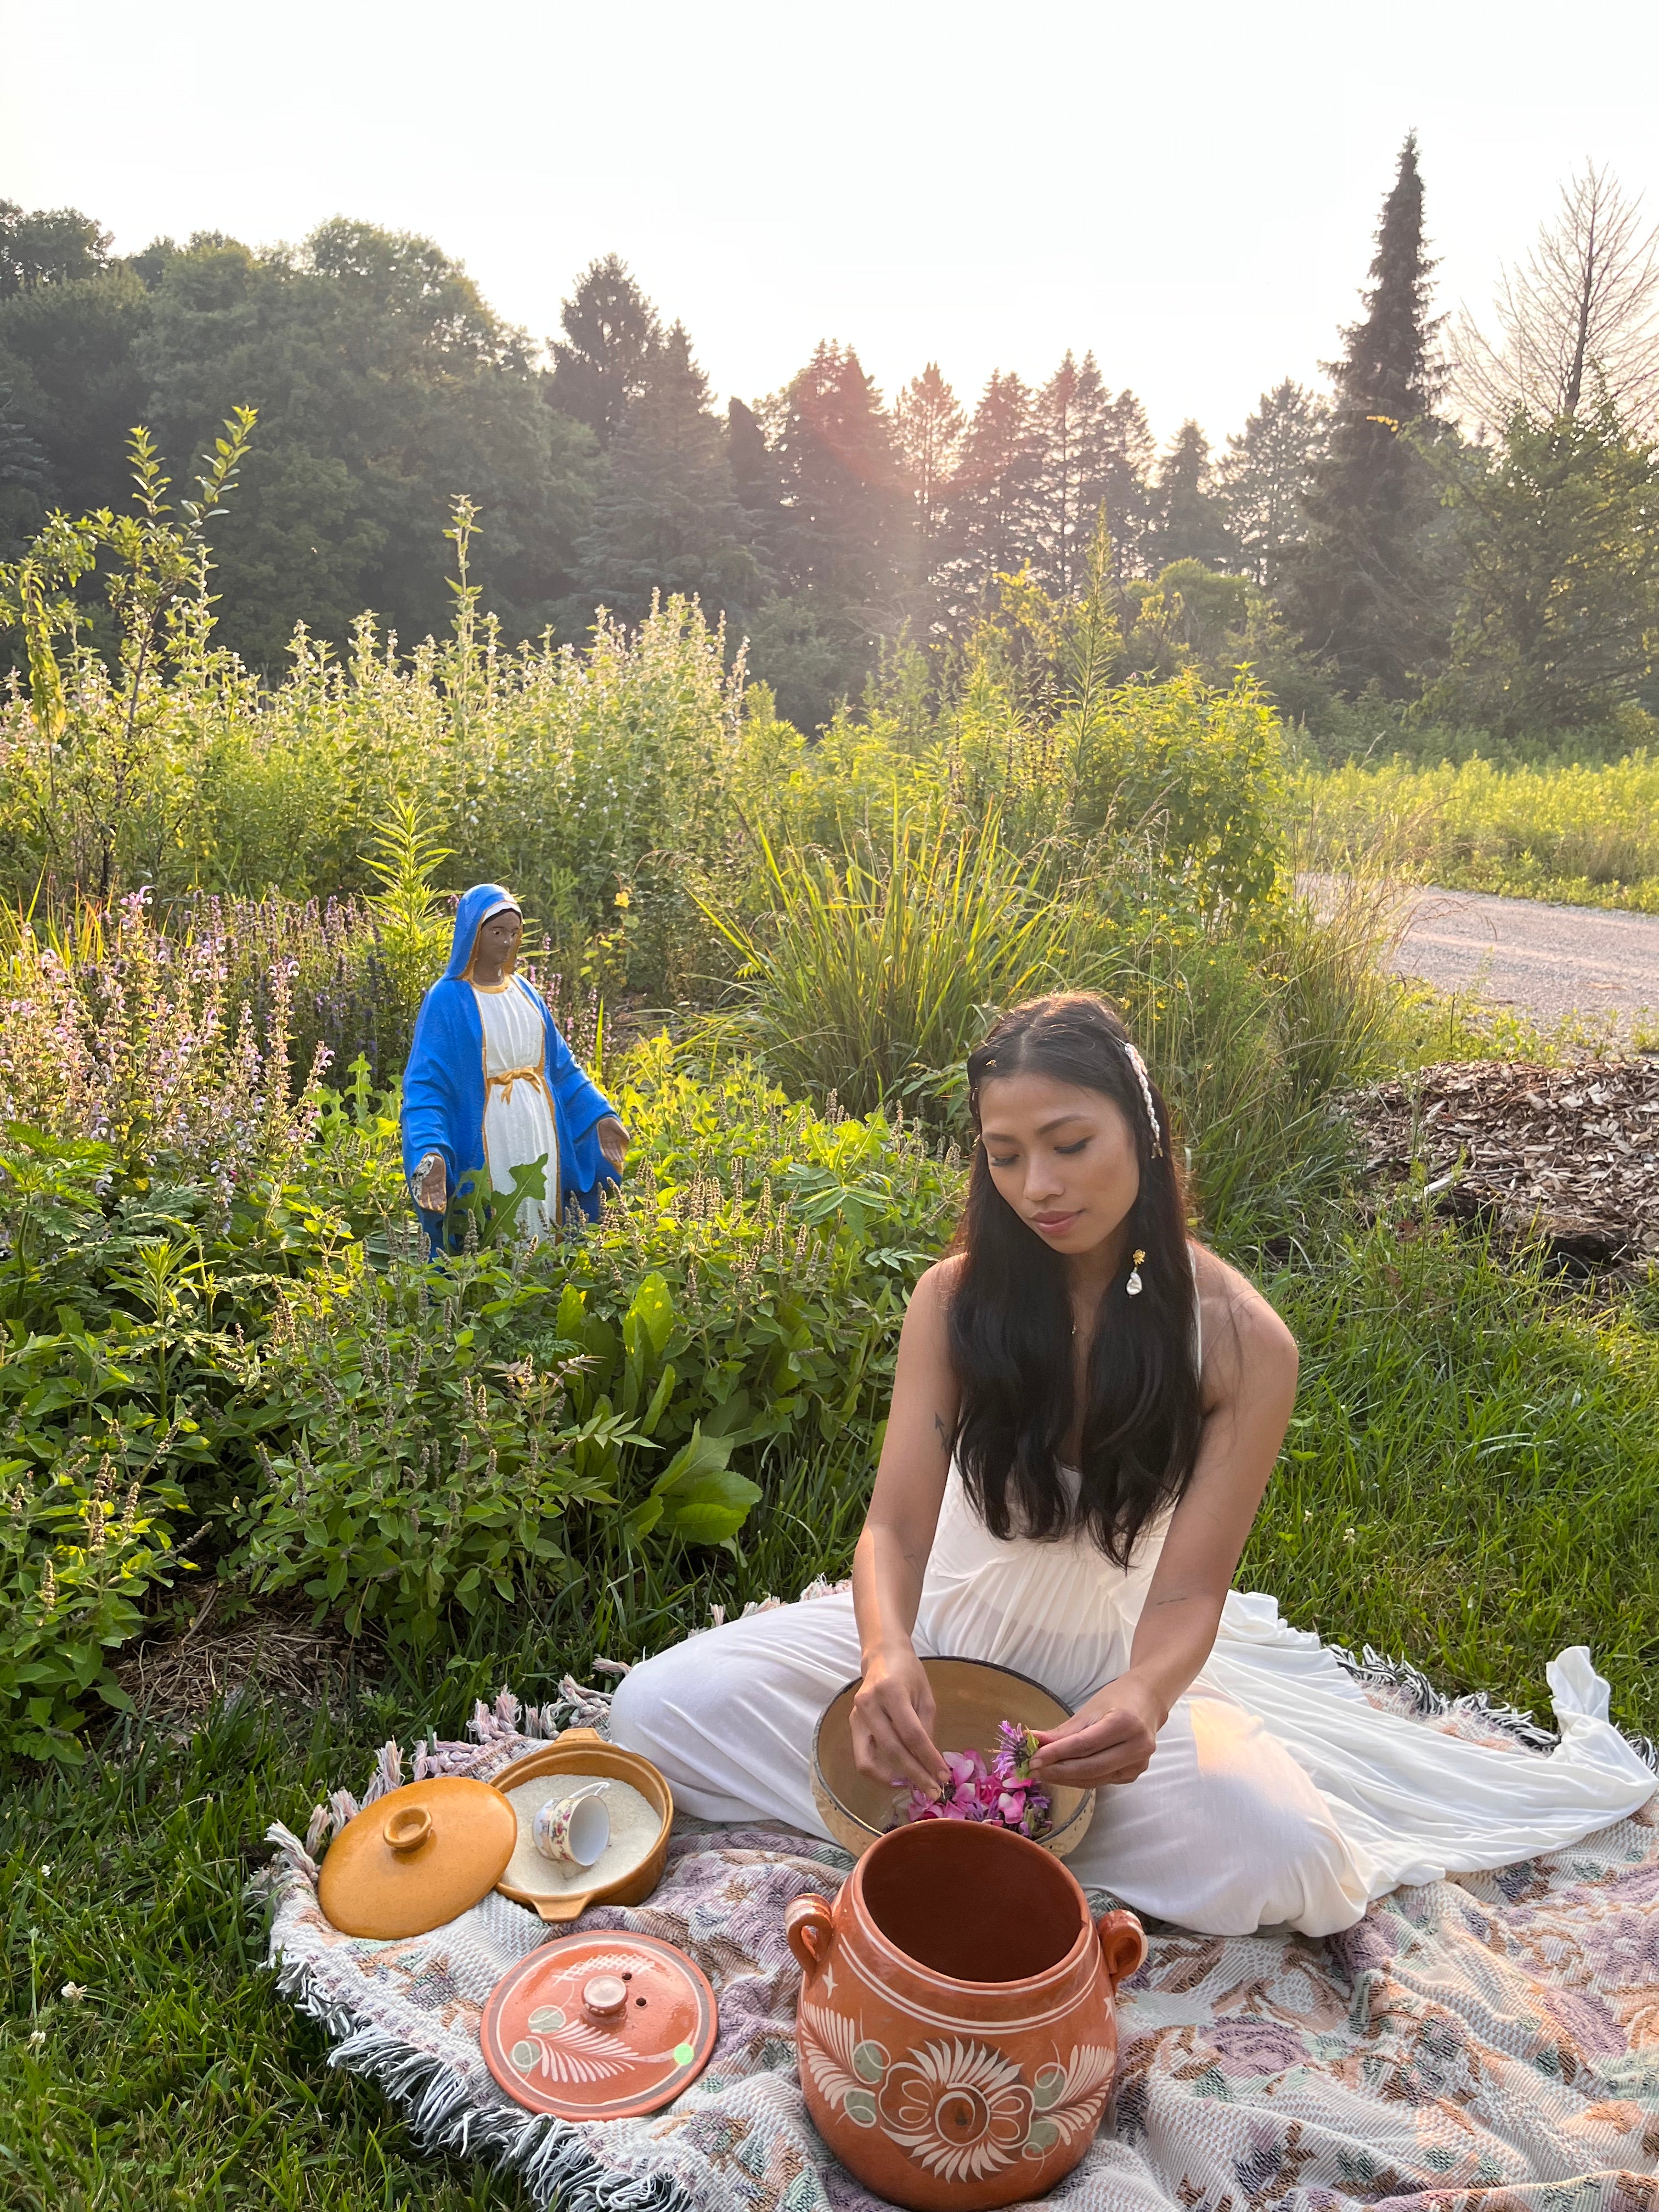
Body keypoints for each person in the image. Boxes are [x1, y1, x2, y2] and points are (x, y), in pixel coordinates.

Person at [612, 993, 1655, 1936]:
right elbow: (893, 1531)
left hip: (1096, 1688)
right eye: (1004, 1153)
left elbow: (1191, 1588)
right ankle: (982, 1824)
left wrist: (1145, 1701)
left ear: (1143, 1133)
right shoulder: (951, 1300)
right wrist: (885, 1656)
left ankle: (963, 1824)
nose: (1038, 1185)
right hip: (931, 1651)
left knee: (1278, 1854)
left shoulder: (1242, 1343)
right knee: (655, 1710)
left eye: (1069, 1142)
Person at [401, 883, 628, 1250]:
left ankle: (542, 1278)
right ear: (473, 933)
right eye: (497, 932)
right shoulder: (447, 999)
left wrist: (599, 1114)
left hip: (540, 1129)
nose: (507, 942)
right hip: (491, 1132)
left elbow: (562, 1067)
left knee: (541, 1205)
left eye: (514, 933)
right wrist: (429, 1149)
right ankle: (497, 1284)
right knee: (493, 1218)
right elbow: (427, 1086)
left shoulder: (526, 992)